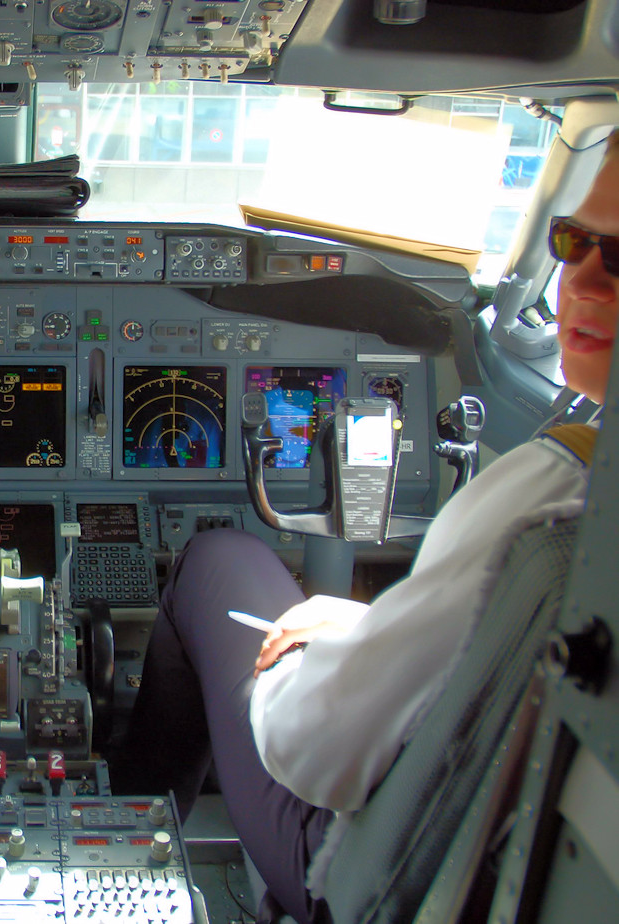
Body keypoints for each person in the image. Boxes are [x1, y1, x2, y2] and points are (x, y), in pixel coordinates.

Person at [114, 134, 615, 923]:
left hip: (349, 863)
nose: (583, 278)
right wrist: (371, 630)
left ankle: (130, 818)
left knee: (217, 555)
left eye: (616, 258)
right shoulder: (579, 485)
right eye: (573, 243)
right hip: (463, 826)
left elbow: (308, 749)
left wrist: (303, 651)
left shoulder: (550, 488)